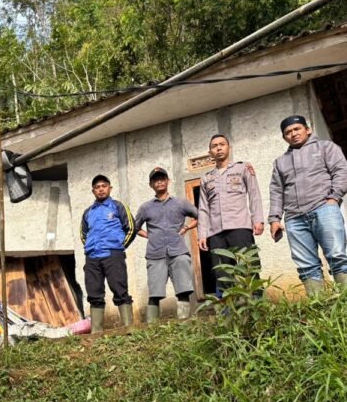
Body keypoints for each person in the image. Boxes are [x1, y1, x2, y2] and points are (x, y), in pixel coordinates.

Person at [268, 115, 347, 296]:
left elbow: (341, 171)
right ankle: (319, 305)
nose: (293, 134)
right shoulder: (280, 162)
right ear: (284, 137)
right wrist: (274, 219)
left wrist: (333, 199)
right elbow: (276, 191)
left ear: (307, 130)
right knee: (306, 265)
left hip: (324, 209)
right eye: (288, 132)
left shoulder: (326, 148)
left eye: (297, 129)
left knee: (337, 256)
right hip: (294, 218)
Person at [197, 134, 264, 297]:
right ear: (210, 152)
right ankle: (228, 315)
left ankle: (257, 309)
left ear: (229, 148)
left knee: (249, 268)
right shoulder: (206, 178)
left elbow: (254, 195)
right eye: (214, 146)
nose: (218, 148)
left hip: (240, 227)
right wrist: (202, 234)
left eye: (222, 144)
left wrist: (258, 220)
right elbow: (203, 209)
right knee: (222, 274)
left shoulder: (243, 168)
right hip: (216, 233)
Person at [134, 167, 198, 322]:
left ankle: (184, 323)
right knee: (154, 293)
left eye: (162, 178)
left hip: (178, 252)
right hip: (155, 254)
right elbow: (134, 228)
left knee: (183, 289)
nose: (159, 182)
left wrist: (186, 227)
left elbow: (200, 216)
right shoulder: (145, 207)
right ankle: (152, 328)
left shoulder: (181, 203)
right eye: (156, 180)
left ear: (168, 181)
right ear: (151, 185)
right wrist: (149, 235)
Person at [80, 174, 137, 332]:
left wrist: (119, 247)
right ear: (93, 191)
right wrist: (91, 249)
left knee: (120, 290)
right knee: (94, 293)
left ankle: (128, 329)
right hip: (92, 258)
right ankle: (96, 332)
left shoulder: (118, 206)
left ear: (109, 188)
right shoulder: (87, 212)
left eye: (103, 186)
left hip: (113, 255)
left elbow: (131, 228)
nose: (100, 189)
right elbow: (83, 235)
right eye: (97, 187)